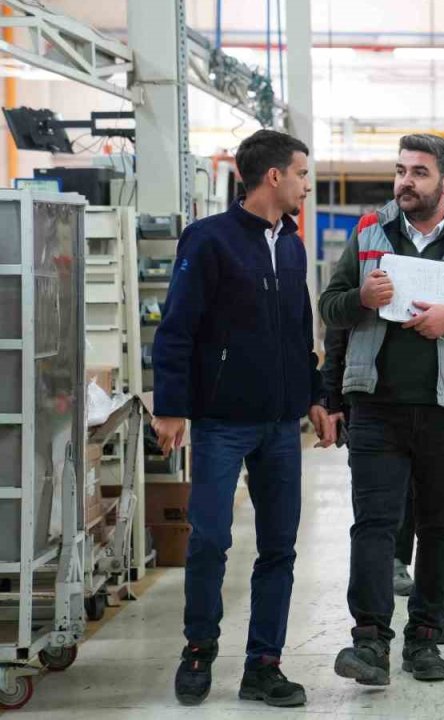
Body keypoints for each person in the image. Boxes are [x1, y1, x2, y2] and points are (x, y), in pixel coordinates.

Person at [319, 134, 444, 685]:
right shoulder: (368, 233)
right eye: (401, 170)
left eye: (419, 173)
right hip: (377, 407)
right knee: (374, 526)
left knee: (439, 527)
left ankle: (426, 637)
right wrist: (362, 299)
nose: (405, 181)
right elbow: (330, 307)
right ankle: (369, 641)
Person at [153, 129, 324, 708]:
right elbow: (177, 328)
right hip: (223, 419)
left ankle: (264, 665)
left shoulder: (293, 244)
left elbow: (301, 330)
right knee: (209, 539)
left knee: (279, 546)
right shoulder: (208, 240)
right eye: (301, 173)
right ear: (274, 176)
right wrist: (173, 406)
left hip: (281, 423)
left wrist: (316, 396)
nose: (306, 184)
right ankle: (199, 649)